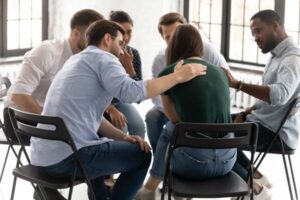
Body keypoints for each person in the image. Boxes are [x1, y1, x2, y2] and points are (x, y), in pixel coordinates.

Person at [32, 20, 207, 200]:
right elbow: (132, 93)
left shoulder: (75, 60)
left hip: (42, 159)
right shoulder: (105, 58)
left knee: (100, 143)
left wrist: (124, 137)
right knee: (142, 156)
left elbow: (93, 117)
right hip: (70, 159)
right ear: (108, 39)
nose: (123, 49)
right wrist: (178, 76)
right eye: (120, 43)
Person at [4, 9, 104, 200]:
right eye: (91, 35)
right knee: (85, 134)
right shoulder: (47, 51)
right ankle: (45, 186)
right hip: (19, 117)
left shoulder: (88, 60)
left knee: (99, 129)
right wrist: (52, 120)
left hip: (50, 118)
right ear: (75, 33)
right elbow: (18, 95)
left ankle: (96, 192)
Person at [135, 24, 235, 200]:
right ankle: (171, 193)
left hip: (194, 165)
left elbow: (174, 119)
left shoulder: (170, 73)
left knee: (170, 130)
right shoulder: (221, 73)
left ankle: (150, 188)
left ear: (174, 45)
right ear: (199, 46)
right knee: (186, 133)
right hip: (228, 162)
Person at [224, 10, 300, 200]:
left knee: (214, 134)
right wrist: (248, 111)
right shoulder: (276, 57)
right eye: (253, 34)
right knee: (213, 123)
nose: (255, 38)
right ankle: (254, 177)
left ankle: (253, 187)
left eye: (258, 31)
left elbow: (279, 96)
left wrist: (238, 85)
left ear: (276, 25)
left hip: (275, 133)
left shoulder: (292, 60)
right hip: (262, 123)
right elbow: (269, 98)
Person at [145, 12, 233, 152]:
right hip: (173, 110)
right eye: (168, 37)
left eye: (177, 34)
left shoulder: (209, 51)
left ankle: (160, 169)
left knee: (173, 129)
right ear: (162, 38)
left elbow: (228, 85)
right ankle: (160, 158)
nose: (174, 40)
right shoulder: (160, 61)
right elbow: (157, 99)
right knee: (153, 117)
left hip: (203, 110)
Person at [107, 10, 145, 138]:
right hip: (101, 103)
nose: (126, 38)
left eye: (129, 32)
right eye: (122, 33)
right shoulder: (103, 54)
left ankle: (138, 158)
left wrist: (129, 67)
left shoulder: (133, 53)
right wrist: (110, 108)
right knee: (121, 127)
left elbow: (139, 97)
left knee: (139, 127)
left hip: (120, 101)